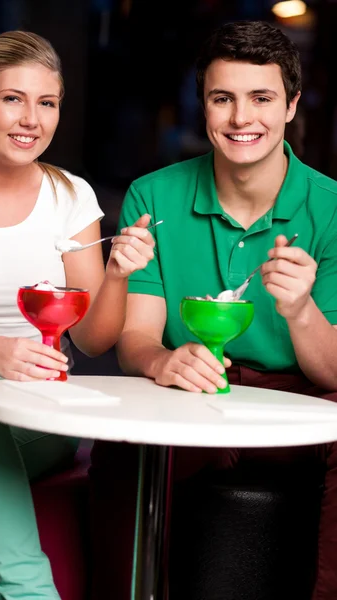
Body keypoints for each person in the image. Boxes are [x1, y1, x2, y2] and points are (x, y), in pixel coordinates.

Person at [89, 20, 337, 600]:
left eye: (261, 98)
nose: (240, 118)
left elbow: (333, 375)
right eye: (222, 98)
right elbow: (136, 339)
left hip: (295, 401)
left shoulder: (331, 208)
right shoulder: (155, 195)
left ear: (292, 105)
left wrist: (300, 310)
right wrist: (163, 363)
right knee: (126, 442)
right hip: (193, 397)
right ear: (202, 105)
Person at [0, 30, 155, 600]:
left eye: (47, 102)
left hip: (40, 415)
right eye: (13, 98)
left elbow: (91, 339)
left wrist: (116, 276)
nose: (31, 118)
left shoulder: (70, 197)